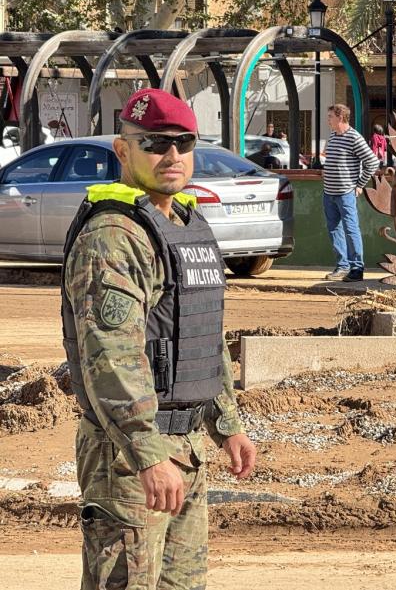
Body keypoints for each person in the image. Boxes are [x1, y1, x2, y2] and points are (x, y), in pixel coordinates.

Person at [61, 88, 256, 590]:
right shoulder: (113, 235)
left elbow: (198, 335)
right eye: (154, 143)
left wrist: (225, 423)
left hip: (186, 445)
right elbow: (110, 353)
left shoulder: (184, 226)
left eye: (183, 142)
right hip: (128, 454)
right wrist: (146, 451)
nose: (171, 156)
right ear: (123, 151)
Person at [322, 103, 379, 281]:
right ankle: (342, 266)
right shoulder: (333, 136)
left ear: (340, 117)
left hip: (345, 193)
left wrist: (360, 184)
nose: (328, 120)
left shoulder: (354, 137)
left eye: (330, 116)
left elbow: (372, 162)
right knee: (334, 230)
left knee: (351, 229)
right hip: (328, 192)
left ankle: (357, 269)